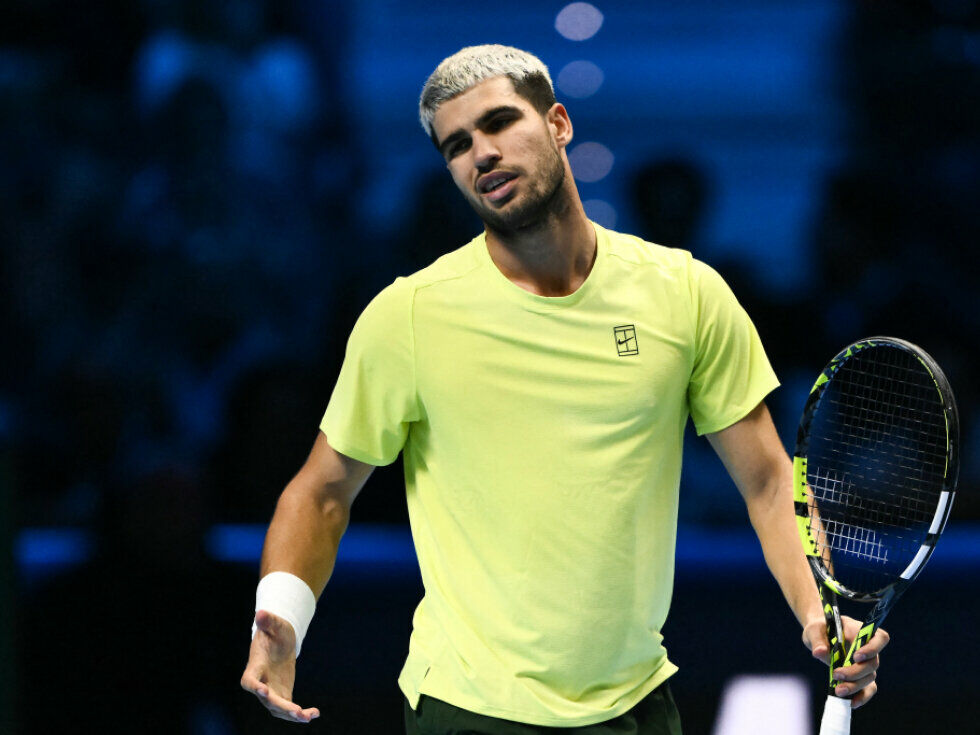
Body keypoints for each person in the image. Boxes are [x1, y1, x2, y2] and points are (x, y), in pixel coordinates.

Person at [240, 44, 888, 733]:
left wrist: (823, 610)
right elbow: (322, 490)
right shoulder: (408, 316)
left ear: (558, 123)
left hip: (638, 703)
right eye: (456, 144)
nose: (480, 154)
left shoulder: (686, 295)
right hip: (467, 708)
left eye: (498, 124)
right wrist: (282, 617)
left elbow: (765, 480)